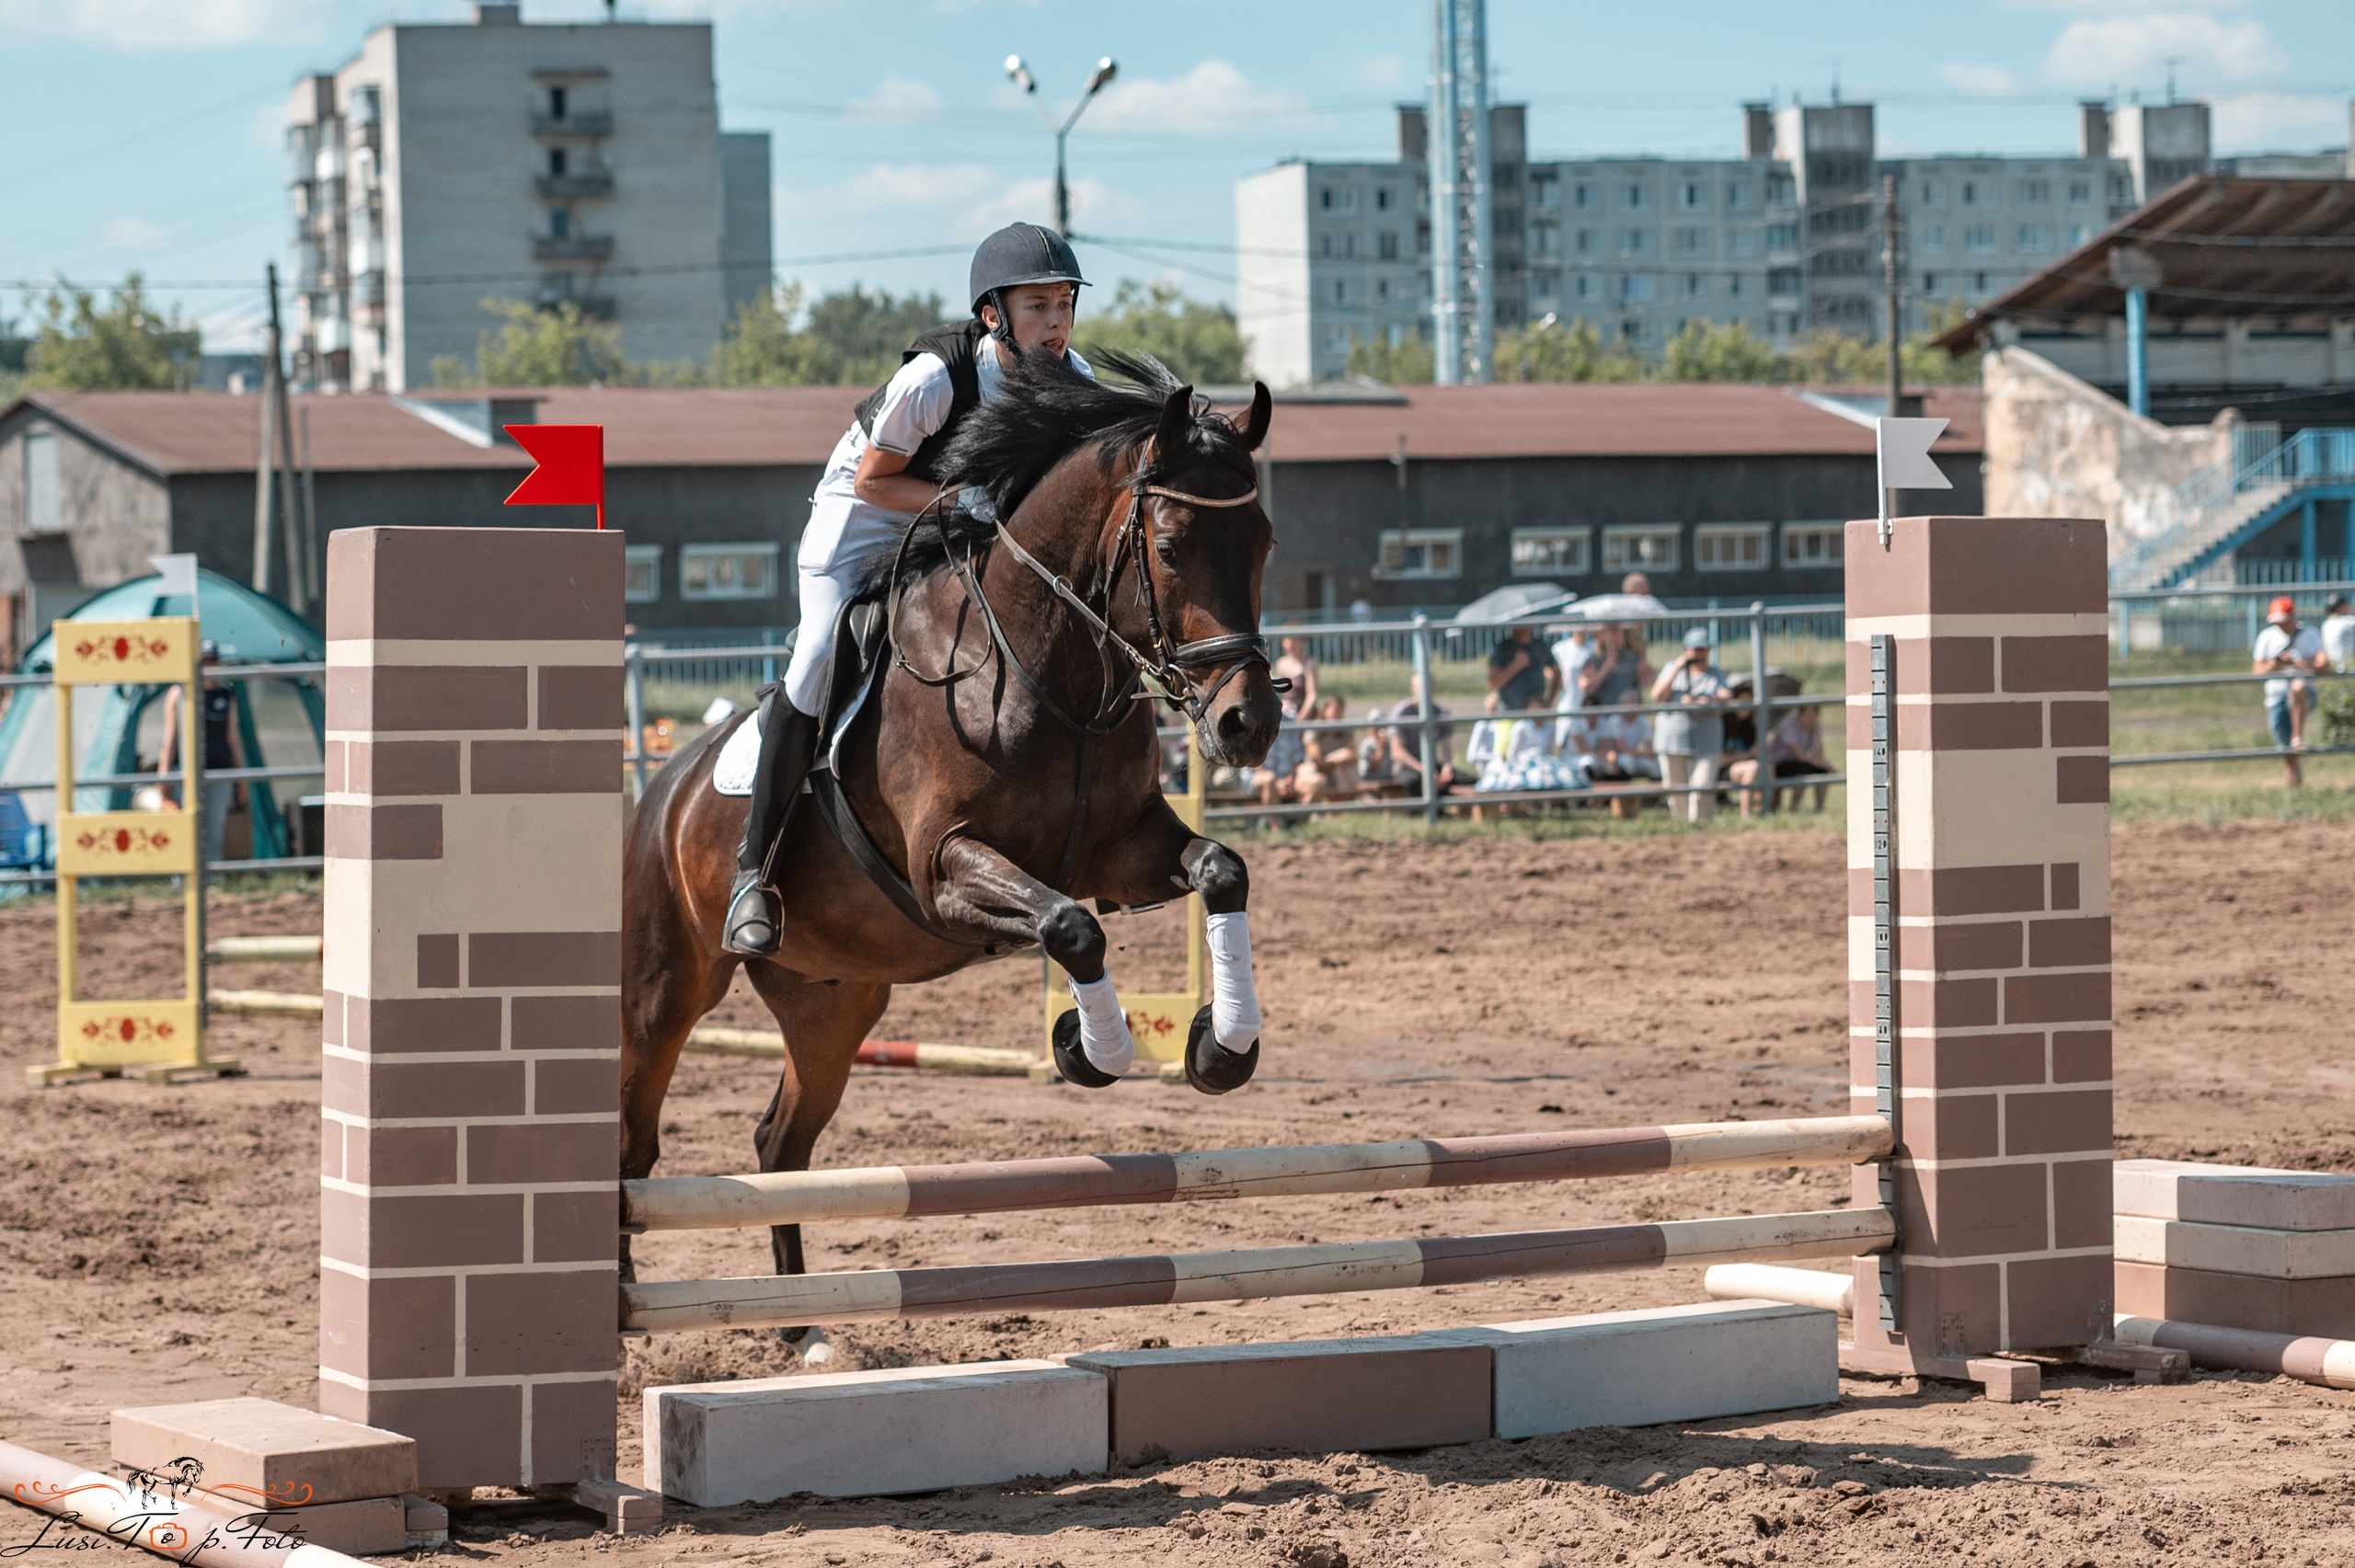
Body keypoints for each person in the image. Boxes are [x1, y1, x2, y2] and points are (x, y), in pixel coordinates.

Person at [727, 223, 1093, 954]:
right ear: (994, 315)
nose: (1055, 323)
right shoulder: (933, 379)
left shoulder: (1071, 377)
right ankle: (753, 872)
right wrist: (961, 502)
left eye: (1064, 304)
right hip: (863, 520)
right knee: (820, 658)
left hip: (955, 520)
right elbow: (875, 479)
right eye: (1038, 306)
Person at [155, 640, 244, 871]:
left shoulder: (227, 694)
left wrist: (242, 779)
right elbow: (170, 740)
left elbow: (233, 739)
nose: (208, 666)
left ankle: (212, 882)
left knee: (213, 834)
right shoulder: (179, 693)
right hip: (185, 774)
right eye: (204, 661)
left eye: (212, 661)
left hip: (218, 774)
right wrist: (163, 781)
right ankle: (182, 883)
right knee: (184, 832)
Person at [1649, 627, 1730, 824]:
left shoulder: (1715, 674)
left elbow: (1726, 697)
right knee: (1676, 789)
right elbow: (1657, 696)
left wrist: (1702, 702)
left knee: (1702, 786)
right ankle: (1682, 827)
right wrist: (1678, 667)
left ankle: (1700, 826)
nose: (1699, 654)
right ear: (1686, 649)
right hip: (1672, 741)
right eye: (1695, 649)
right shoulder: (1672, 669)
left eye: (1703, 650)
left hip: (1706, 741)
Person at [2254, 595, 2327, 787]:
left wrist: (2297, 663)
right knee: (2286, 750)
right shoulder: (2266, 636)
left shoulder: (2309, 634)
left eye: (2284, 620)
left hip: (2304, 693)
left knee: (2298, 685)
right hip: (2275, 696)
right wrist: (2276, 664)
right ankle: (2295, 789)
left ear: (2293, 616)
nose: (2281, 625)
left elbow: (2325, 667)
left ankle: (2298, 736)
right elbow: (2257, 670)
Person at [1386, 674, 1459, 794]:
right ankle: (1428, 809)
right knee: (1418, 781)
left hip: (1432, 765)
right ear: (1413, 688)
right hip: (1407, 767)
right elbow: (1397, 752)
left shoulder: (1441, 712)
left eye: (1429, 686)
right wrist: (1424, 770)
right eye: (1421, 686)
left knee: (1466, 780)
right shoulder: (1401, 712)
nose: (1425, 689)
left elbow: (1446, 747)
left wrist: (1447, 768)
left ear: (1434, 687)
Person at [1294, 694, 1361, 804]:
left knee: (1345, 768)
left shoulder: (1345, 729)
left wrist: (1339, 759)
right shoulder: (1314, 728)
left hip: (1335, 770)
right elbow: (1318, 761)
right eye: (1335, 709)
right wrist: (1340, 757)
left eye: (1341, 710)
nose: (1338, 713)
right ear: (1325, 710)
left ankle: (1348, 805)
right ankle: (1304, 814)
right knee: (1318, 779)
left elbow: (1352, 757)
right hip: (1315, 769)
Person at [1488, 623, 1548, 711]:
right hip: (1509, 713)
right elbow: (1492, 682)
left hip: (1535, 717)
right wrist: (1515, 665)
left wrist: (1550, 700)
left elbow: (1556, 672)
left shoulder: (1540, 646)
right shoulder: (1503, 647)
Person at [2322, 594, 2354, 673]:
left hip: (2330, 668)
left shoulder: (2326, 624)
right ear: (2340, 608)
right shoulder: (2346, 621)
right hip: (2345, 669)